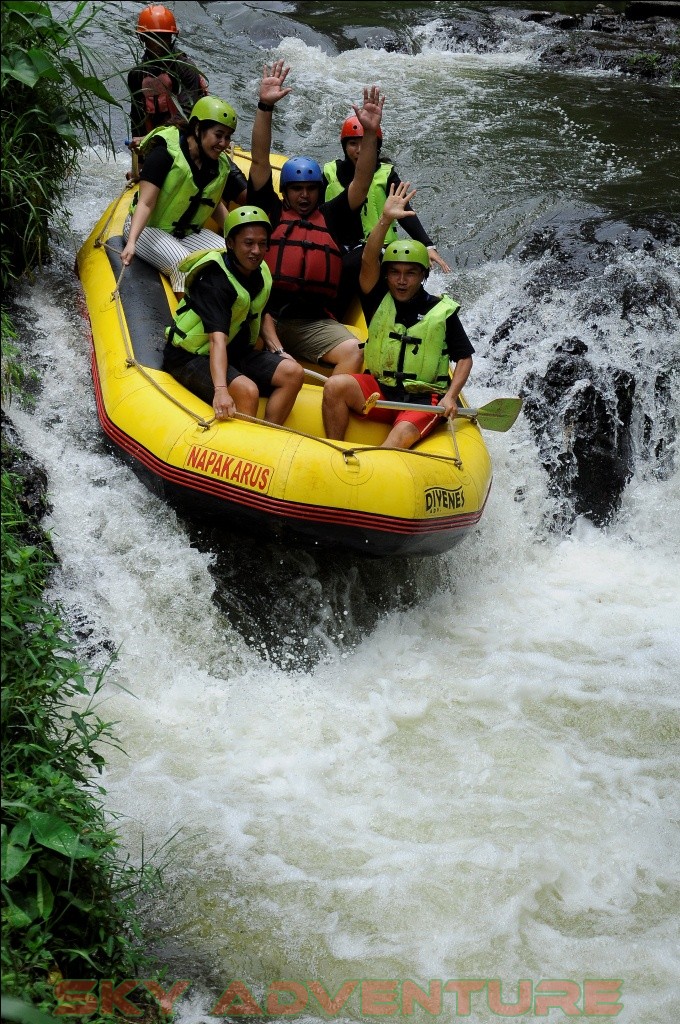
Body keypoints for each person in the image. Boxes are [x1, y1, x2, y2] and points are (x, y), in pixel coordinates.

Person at [246, 61, 385, 375]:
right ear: (285, 191)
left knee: (355, 352)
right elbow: (258, 159)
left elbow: (362, 181)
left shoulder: (331, 216)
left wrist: (371, 132)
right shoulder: (269, 211)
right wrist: (265, 106)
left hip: (312, 323)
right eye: (297, 190)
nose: (305, 196)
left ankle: (331, 402)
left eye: (311, 189)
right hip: (264, 316)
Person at [322, 182, 474, 450]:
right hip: (381, 391)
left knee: (396, 440)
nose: (401, 281)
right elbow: (368, 259)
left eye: (410, 273)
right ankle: (334, 454)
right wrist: (385, 219)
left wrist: (451, 396)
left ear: (423, 276)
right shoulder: (378, 297)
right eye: (395, 273)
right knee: (335, 386)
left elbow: (464, 358)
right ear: (387, 274)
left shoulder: (442, 311)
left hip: (424, 400)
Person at [163, 206, 303, 424]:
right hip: (191, 357)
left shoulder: (260, 271)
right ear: (230, 243)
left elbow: (260, 313)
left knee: (293, 373)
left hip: (235, 350)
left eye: (262, 243)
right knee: (247, 391)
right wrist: (221, 390)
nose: (256, 250)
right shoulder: (215, 281)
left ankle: (270, 435)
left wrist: (279, 350)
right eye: (248, 243)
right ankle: (244, 450)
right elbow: (216, 340)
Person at [323, 115, 451, 315]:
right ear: (344, 146)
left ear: (375, 146)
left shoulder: (386, 174)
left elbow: (405, 212)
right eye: (352, 143)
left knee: (355, 264)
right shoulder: (330, 172)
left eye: (365, 144)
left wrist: (427, 245)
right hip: (339, 246)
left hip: (378, 247)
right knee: (347, 263)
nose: (359, 150)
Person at [120, 96, 245, 298]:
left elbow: (213, 205)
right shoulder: (165, 152)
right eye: (218, 135)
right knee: (183, 263)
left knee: (232, 258)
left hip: (186, 233)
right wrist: (132, 241)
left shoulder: (218, 165)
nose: (224, 143)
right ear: (197, 128)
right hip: (147, 229)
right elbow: (146, 202)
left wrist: (237, 238)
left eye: (228, 137)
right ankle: (186, 322)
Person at [128, 4, 208, 141]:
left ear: (172, 37)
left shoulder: (185, 68)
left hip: (187, 136)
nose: (159, 43)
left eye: (164, 37)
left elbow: (186, 114)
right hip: (154, 139)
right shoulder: (137, 75)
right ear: (143, 38)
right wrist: (140, 149)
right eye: (154, 37)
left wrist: (151, 138)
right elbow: (137, 120)